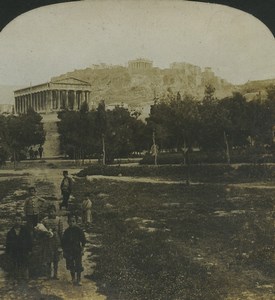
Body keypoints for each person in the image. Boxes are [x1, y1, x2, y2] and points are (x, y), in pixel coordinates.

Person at [5, 213, 33, 280]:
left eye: (19, 220)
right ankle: (17, 278)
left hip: (24, 251)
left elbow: (30, 241)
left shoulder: (25, 231)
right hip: (15, 252)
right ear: (13, 221)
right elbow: (8, 244)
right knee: (16, 265)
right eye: (16, 220)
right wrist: (8, 253)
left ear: (21, 221)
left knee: (24, 265)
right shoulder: (10, 233)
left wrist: (30, 250)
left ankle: (25, 279)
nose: (17, 221)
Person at [62, 214, 86, 286]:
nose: (71, 223)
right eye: (70, 222)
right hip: (69, 250)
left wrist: (82, 248)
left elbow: (83, 240)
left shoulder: (79, 230)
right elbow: (63, 242)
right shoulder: (66, 231)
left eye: (73, 221)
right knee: (70, 264)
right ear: (68, 222)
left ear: (76, 222)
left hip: (77, 249)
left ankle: (79, 279)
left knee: (78, 264)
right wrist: (64, 250)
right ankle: (73, 278)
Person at [41, 204, 63, 280]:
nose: (51, 213)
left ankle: (55, 274)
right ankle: (48, 275)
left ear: (55, 212)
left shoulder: (59, 220)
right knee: (48, 259)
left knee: (56, 259)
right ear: (47, 212)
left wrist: (61, 243)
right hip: (48, 242)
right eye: (49, 212)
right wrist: (45, 233)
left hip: (56, 241)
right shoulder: (44, 220)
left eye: (52, 212)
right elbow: (41, 231)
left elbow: (61, 232)